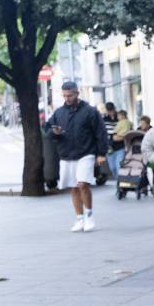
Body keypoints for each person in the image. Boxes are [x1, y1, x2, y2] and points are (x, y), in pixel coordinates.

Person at [45, 82, 107, 232]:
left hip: (86, 153)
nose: (67, 98)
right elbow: (48, 130)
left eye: (70, 95)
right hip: (66, 154)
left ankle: (89, 215)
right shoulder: (59, 113)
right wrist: (55, 132)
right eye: (64, 96)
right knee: (73, 187)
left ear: (77, 93)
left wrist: (101, 153)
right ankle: (79, 218)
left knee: (82, 184)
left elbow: (101, 132)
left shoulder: (90, 111)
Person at [108, 109, 133, 181]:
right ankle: (117, 179)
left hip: (120, 148)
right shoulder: (119, 123)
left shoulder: (125, 123)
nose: (117, 117)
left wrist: (119, 136)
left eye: (118, 115)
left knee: (118, 165)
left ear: (123, 116)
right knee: (112, 167)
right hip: (110, 148)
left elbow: (124, 133)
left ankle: (120, 181)